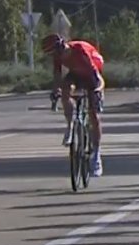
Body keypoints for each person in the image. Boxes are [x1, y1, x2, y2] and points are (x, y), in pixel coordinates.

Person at [42, 34, 106, 176]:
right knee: (65, 90)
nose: (58, 57)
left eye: (57, 53)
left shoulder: (80, 50)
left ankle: (96, 155)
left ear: (62, 47)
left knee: (93, 113)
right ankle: (71, 125)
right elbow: (57, 76)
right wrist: (56, 91)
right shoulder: (57, 56)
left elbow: (98, 78)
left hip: (92, 72)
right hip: (76, 74)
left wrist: (98, 91)